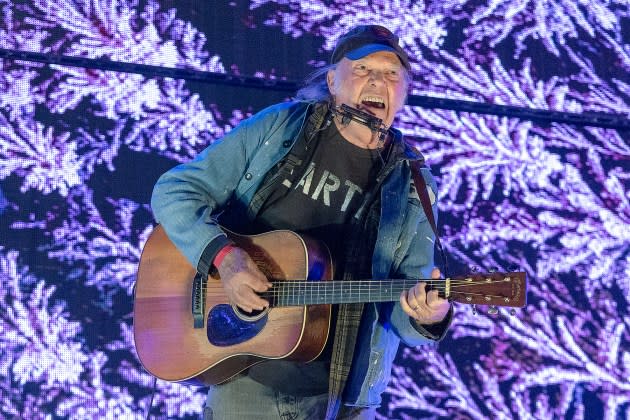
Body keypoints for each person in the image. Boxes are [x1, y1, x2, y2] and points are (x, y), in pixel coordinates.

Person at [151, 24, 452, 420]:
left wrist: (428, 316)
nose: (379, 80)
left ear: (403, 93)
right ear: (331, 80)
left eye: (392, 74)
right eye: (363, 69)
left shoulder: (412, 181)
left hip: (346, 398)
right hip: (251, 383)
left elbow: (403, 308)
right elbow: (174, 191)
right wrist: (226, 259)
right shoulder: (282, 128)